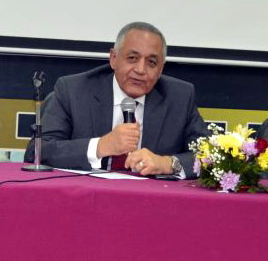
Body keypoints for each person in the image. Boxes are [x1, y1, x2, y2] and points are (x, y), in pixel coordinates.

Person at [27, 22, 208, 177]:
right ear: (113, 58)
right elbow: (37, 151)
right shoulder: (73, 90)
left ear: (161, 69)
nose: (140, 70)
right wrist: (100, 146)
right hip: (88, 197)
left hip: (151, 200)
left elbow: (211, 155)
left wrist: (168, 163)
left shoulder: (180, 97)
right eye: (132, 58)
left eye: (151, 63)